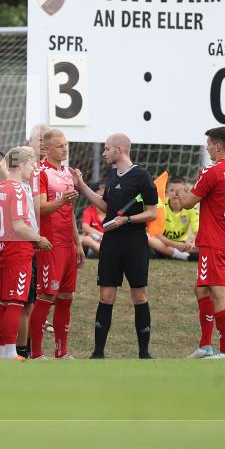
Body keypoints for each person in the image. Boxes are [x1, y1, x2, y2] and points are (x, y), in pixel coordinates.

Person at [73, 133, 158, 359]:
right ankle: (98, 353)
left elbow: (152, 212)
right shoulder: (111, 176)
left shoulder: (142, 176)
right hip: (111, 242)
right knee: (106, 296)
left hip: (135, 242)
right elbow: (105, 205)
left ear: (119, 150)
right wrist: (82, 187)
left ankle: (144, 353)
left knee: (139, 296)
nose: (104, 152)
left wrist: (127, 220)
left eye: (107, 149)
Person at [171, 127, 225, 359]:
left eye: (209, 144)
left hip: (213, 241)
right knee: (201, 289)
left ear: (218, 146)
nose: (206, 148)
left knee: (217, 293)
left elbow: (186, 203)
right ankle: (205, 346)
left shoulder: (211, 171)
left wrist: (179, 192)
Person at [29, 129, 85, 360]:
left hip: (67, 245)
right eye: (60, 145)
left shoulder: (66, 173)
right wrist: (61, 201)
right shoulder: (40, 173)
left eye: (66, 144)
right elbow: (38, 208)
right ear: (47, 149)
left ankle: (61, 352)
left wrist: (78, 244)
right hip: (49, 244)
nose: (65, 148)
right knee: (46, 296)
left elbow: (69, 212)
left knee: (66, 298)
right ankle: (36, 353)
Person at [0, 146, 51, 359]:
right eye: (33, 164)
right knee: (16, 302)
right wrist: (39, 238)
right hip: (18, 251)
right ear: (22, 164)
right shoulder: (16, 189)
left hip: (6, 251)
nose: (34, 168)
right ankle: (10, 352)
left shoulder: (2, 187)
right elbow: (18, 225)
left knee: (5, 303)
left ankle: (3, 352)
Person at [147, 177, 198, 261]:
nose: (175, 194)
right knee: (147, 237)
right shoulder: (160, 205)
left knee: (206, 245)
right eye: (172, 190)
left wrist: (194, 243)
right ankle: (182, 256)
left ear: (185, 191)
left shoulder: (191, 207)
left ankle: (167, 253)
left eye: (178, 191)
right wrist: (176, 245)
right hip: (162, 242)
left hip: (182, 245)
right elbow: (156, 234)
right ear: (166, 192)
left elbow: (197, 232)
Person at [80, 183, 106, 258]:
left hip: (107, 242)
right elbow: (85, 228)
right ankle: (106, 253)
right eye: (101, 196)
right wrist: (102, 235)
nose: (103, 198)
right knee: (86, 239)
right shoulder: (89, 211)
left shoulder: (112, 211)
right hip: (94, 245)